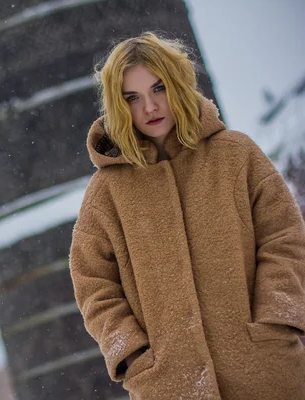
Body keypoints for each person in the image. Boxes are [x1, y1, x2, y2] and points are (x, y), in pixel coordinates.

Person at [68, 31, 305, 399]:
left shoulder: (236, 155)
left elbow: (284, 237)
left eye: (158, 88)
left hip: (267, 369)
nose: (150, 107)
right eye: (133, 97)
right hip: (170, 385)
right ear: (119, 105)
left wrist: (277, 320)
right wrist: (135, 356)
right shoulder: (106, 192)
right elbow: (93, 283)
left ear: (178, 84)